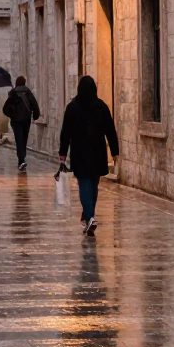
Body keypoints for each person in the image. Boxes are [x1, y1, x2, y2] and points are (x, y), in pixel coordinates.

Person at [58, 74, 119, 238]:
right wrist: (115, 151)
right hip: (97, 151)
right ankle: (88, 215)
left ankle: (90, 216)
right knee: (93, 184)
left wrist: (63, 154)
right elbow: (110, 130)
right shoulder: (101, 106)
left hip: (80, 152)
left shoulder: (72, 107)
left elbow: (66, 133)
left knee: (84, 183)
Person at [3, 75, 41, 171]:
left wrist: (12, 115)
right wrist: (36, 116)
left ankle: (21, 159)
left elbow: (5, 109)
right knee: (24, 139)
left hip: (16, 121)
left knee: (19, 139)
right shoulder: (28, 92)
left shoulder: (13, 93)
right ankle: (22, 159)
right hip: (26, 119)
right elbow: (35, 105)